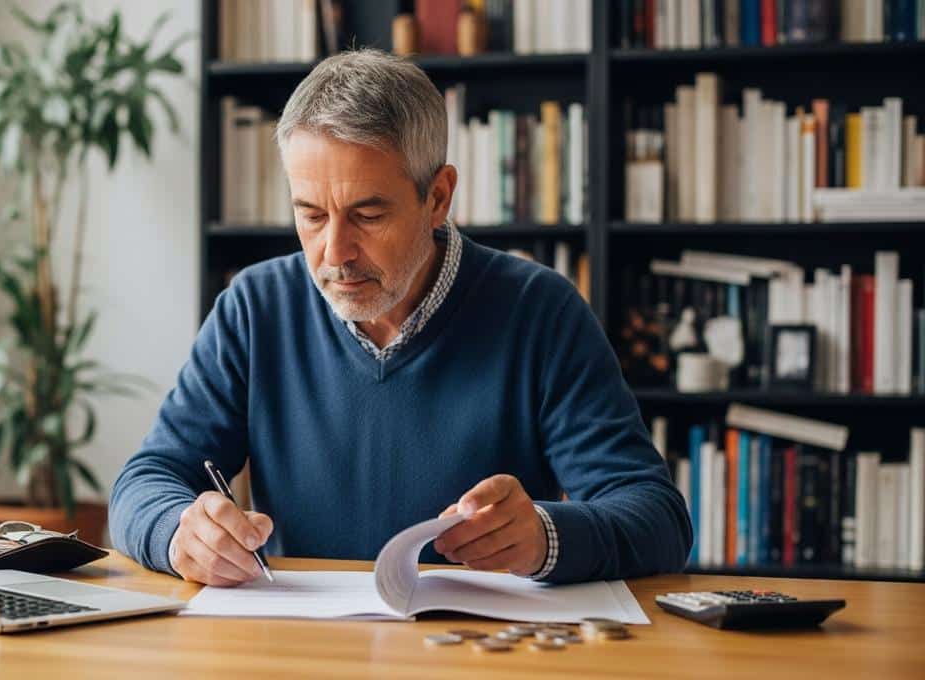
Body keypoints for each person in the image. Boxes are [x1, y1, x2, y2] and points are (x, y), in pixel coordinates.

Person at [110, 48, 691, 587]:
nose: (334, 253)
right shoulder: (254, 307)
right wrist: (178, 533)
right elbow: (144, 481)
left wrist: (545, 537)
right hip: (300, 648)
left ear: (438, 197)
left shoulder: (541, 311)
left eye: (367, 214)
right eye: (310, 215)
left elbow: (657, 518)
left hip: (478, 651)